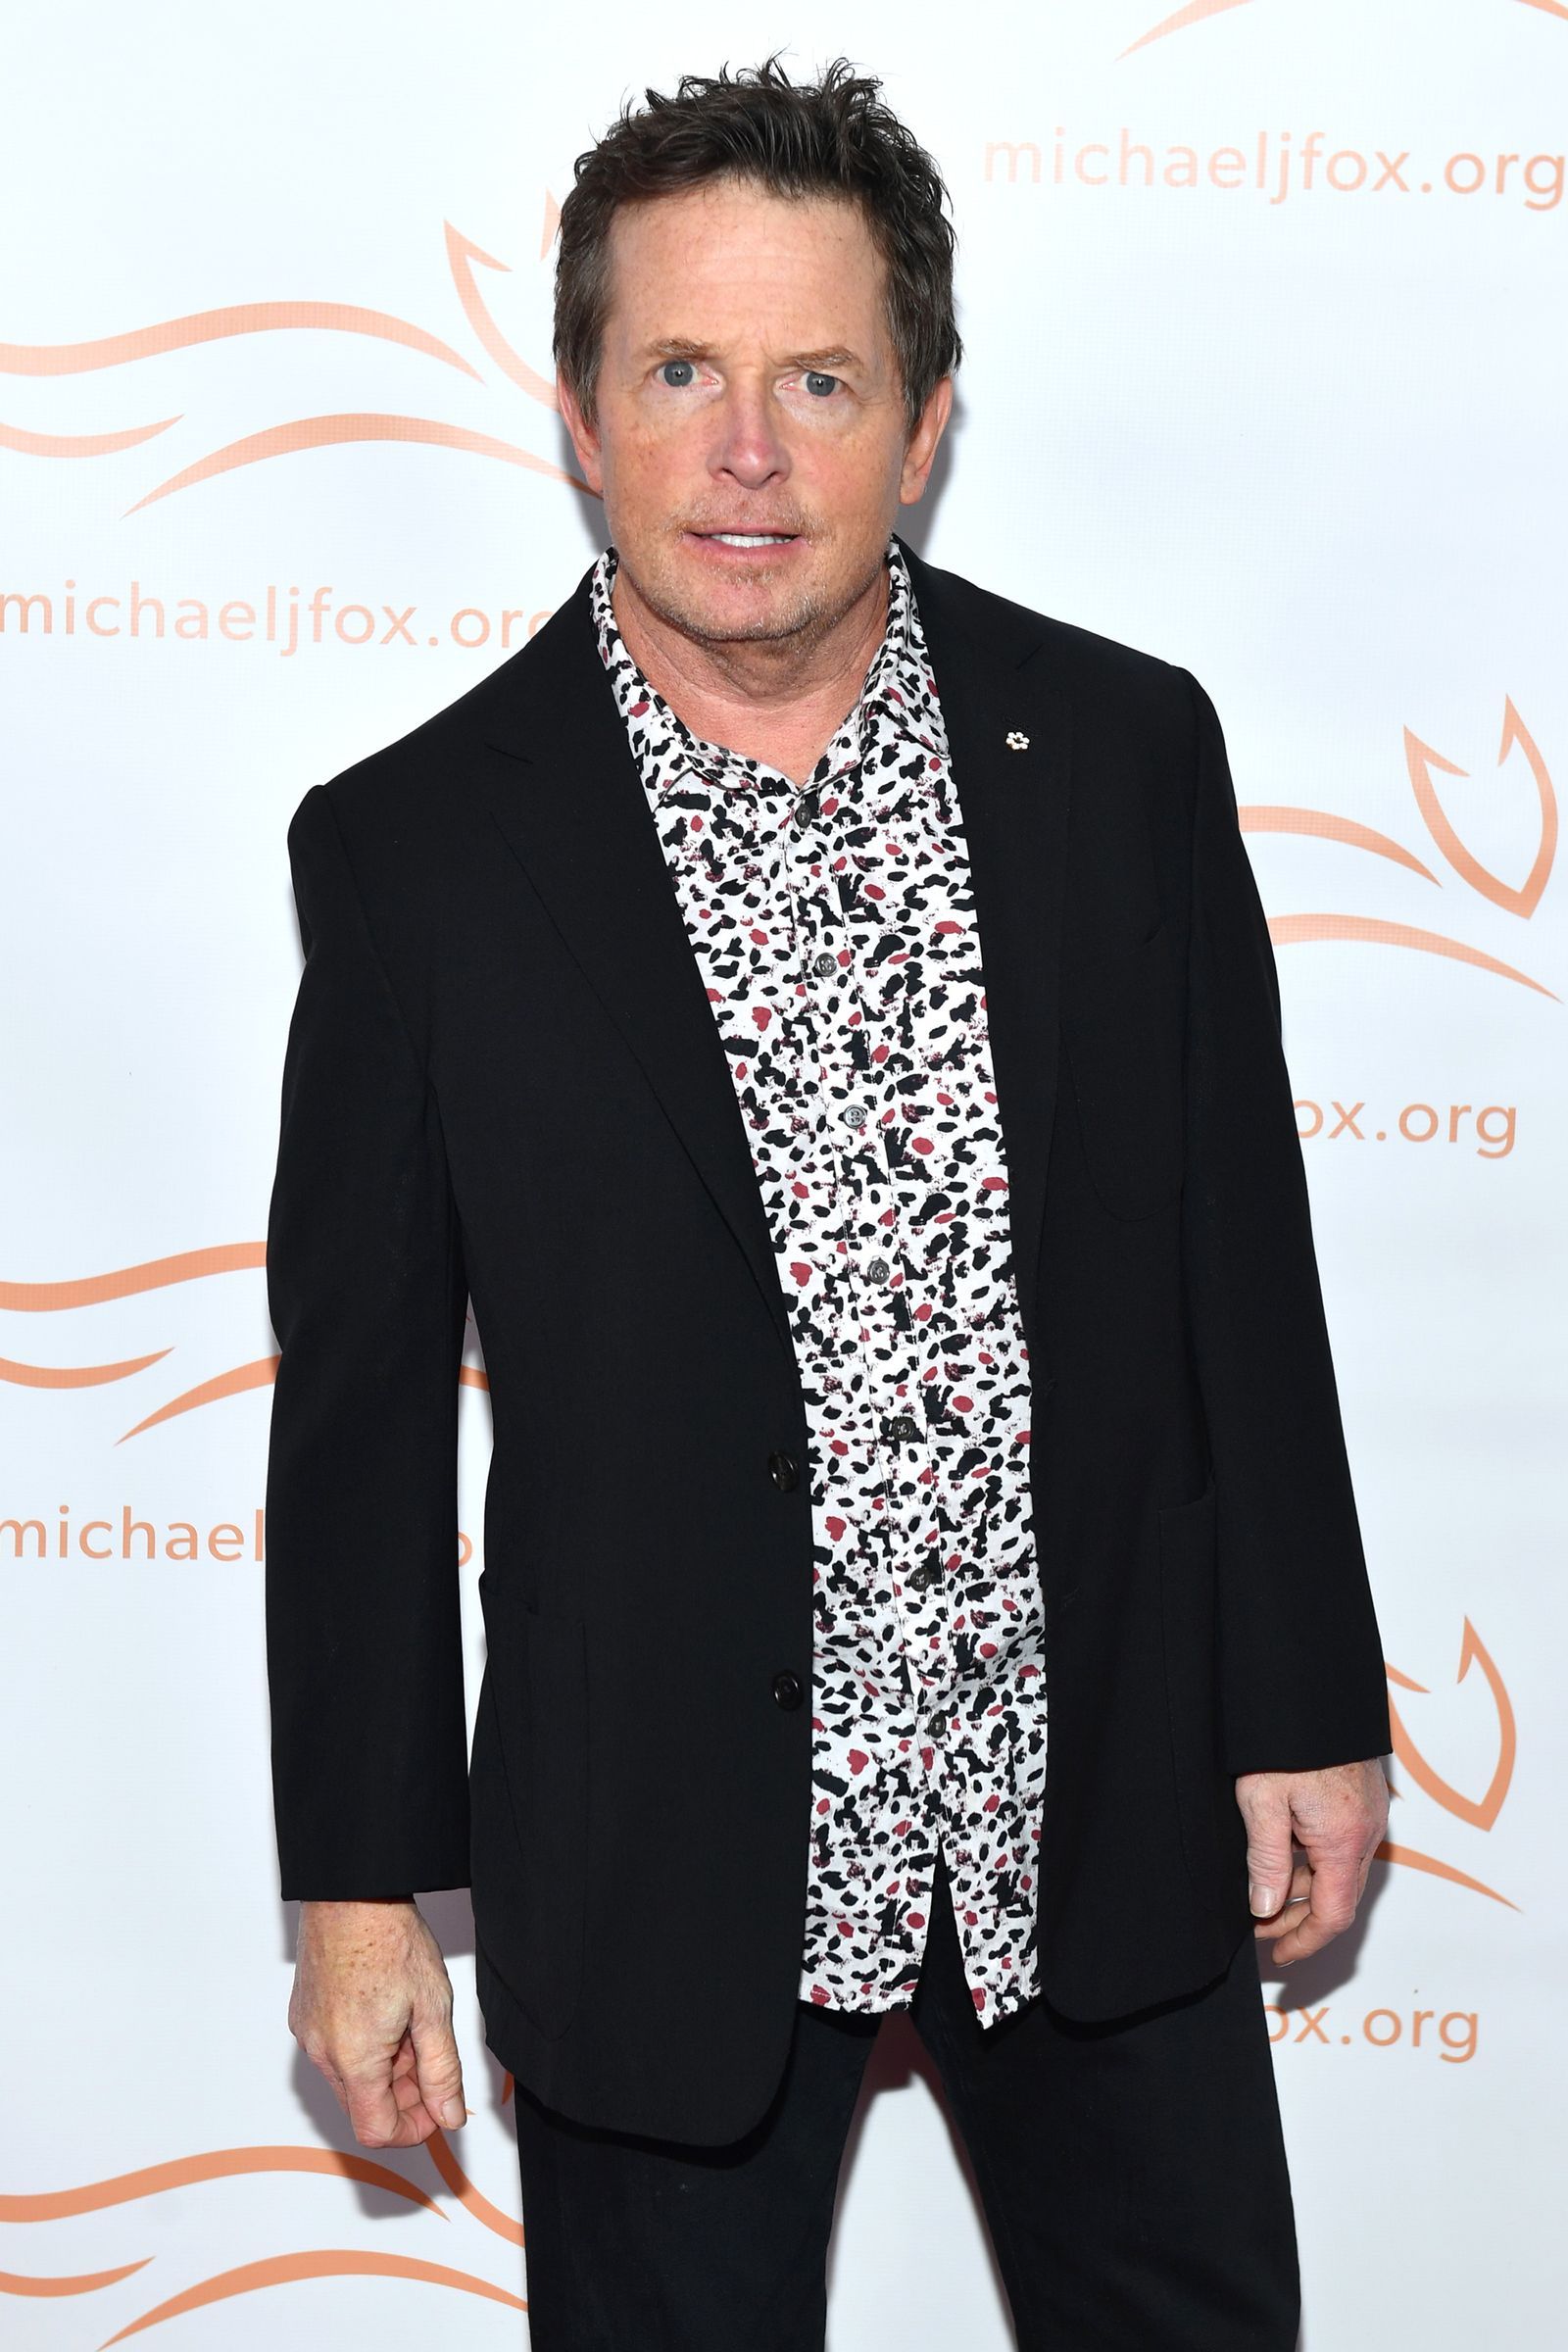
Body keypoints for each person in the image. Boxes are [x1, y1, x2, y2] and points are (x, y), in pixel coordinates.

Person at [264, 55, 1393, 2352]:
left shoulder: (1121, 755)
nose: (747, 453)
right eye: (680, 370)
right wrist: (360, 1892)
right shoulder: (416, 854)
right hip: (657, 1861)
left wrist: (1302, 1698)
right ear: (582, 412)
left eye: (819, 380)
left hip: (1094, 1819)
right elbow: (360, 1421)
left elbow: (1237, 1270)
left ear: (924, 418)